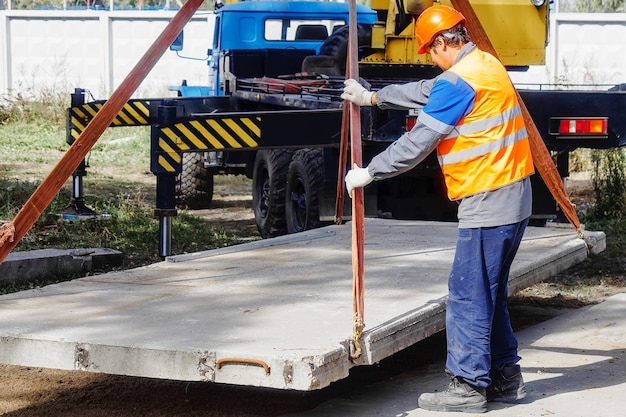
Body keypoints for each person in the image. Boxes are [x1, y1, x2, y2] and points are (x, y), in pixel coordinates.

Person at [341, 4, 534, 414]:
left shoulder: (458, 84)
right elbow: (426, 89)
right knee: (489, 293)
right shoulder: (485, 65)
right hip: (514, 196)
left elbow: (416, 145)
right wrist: (373, 96)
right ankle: (504, 377)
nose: (430, 57)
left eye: (430, 49)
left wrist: (369, 172)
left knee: (467, 295)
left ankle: (467, 386)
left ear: (445, 42)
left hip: (489, 200)